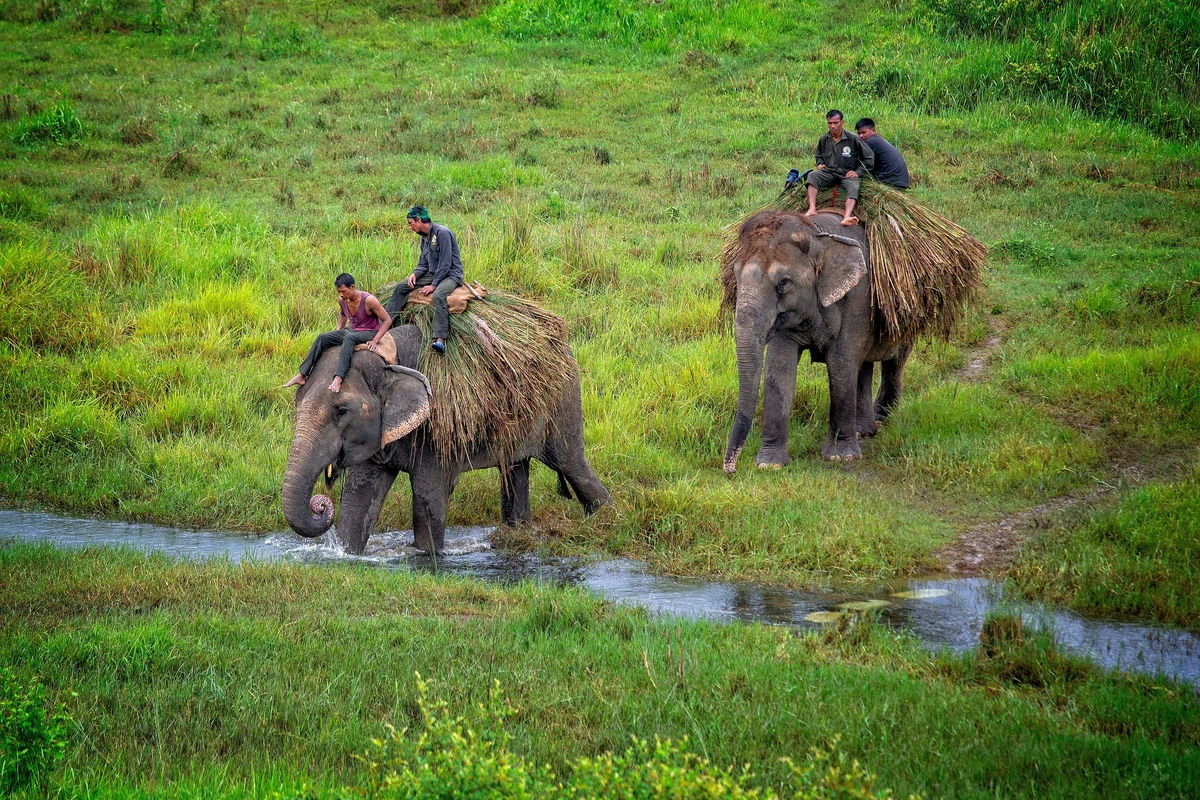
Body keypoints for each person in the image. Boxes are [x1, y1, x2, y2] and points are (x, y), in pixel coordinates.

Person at [284, 273, 392, 394]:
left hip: (369, 331)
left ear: (352, 287)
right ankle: (302, 374)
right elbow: (342, 314)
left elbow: (387, 320)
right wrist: (338, 330)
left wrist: (375, 340)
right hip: (352, 329)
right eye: (338, 292)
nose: (341, 294)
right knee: (322, 337)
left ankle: (339, 377)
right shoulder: (342, 300)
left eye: (343, 291)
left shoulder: (369, 300)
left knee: (349, 339)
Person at [387, 206, 463, 355]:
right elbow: (424, 262)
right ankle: (386, 323)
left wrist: (434, 285)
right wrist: (415, 274)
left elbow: (446, 263)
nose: (410, 227)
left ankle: (440, 339)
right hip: (432, 272)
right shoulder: (424, 237)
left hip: (450, 274)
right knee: (401, 287)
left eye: (411, 223)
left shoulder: (443, 233)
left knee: (439, 296)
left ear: (419, 220)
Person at [804, 109, 875, 226]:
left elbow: (869, 157)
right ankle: (812, 208)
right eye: (830, 123)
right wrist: (820, 163)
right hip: (830, 172)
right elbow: (819, 155)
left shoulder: (853, 138)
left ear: (842, 122)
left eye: (835, 123)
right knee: (812, 176)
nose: (832, 126)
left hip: (847, 174)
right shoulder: (824, 139)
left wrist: (857, 172)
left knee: (853, 187)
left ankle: (847, 216)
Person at [854, 118, 910, 190]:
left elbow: (857, 161)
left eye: (863, 132)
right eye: (859, 133)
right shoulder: (877, 140)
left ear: (873, 130)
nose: (861, 136)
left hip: (892, 183)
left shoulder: (871, 142)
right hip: (901, 181)